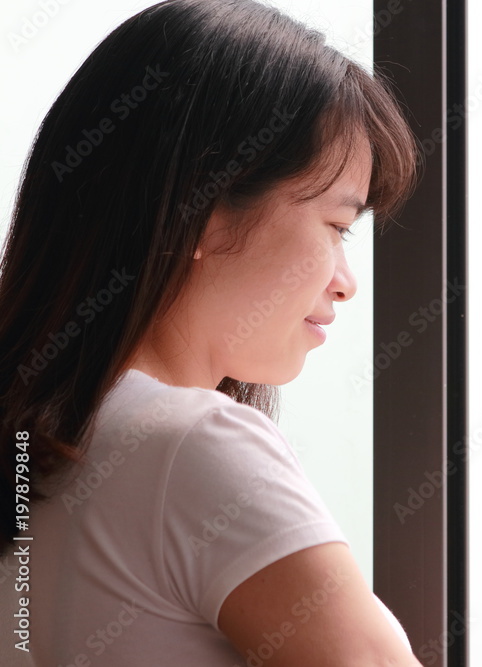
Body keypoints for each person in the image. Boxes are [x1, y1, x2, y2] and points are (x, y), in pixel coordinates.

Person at [0, 0, 422, 664]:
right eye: (337, 227)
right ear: (204, 212)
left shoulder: (39, 448)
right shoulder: (191, 444)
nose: (346, 283)